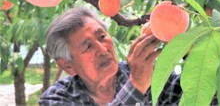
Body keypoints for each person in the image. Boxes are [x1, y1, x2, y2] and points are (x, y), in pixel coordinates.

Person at [39, 6, 185, 105]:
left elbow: (198, 98)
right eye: (88, 46)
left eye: (102, 37)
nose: (103, 50)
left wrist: (189, 50)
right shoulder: (56, 98)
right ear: (68, 65)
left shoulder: (145, 73)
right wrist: (136, 86)